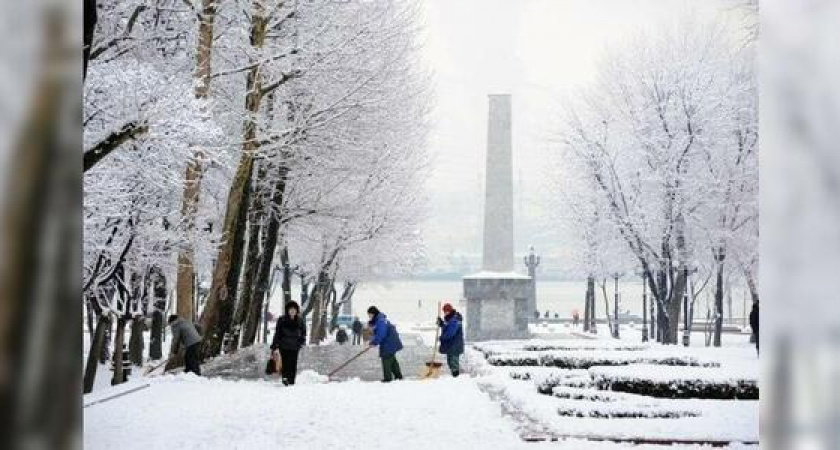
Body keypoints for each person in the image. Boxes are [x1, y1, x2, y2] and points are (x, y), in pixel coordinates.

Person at [271, 301, 307, 385]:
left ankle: (292, 380)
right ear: (287, 310)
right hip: (283, 345)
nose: (292, 311)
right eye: (290, 309)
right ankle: (285, 378)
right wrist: (274, 345)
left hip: (295, 346)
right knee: (285, 363)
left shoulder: (300, 320)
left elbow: (304, 332)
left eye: (294, 309)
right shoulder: (282, 320)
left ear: (296, 310)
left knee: (293, 363)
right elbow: (277, 333)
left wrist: (301, 341)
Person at [367, 306, 403, 382]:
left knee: (386, 359)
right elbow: (379, 332)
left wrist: (374, 342)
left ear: (373, 313)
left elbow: (381, 334)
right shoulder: (381, 319)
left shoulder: (380, 321)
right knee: (392, 359)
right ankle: (398, 376)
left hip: (389, 342)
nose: (369, 317)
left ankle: (387, 378)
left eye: (369, 315)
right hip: (391, 341)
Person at [437, 303, 464, 377]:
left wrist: (442, 337)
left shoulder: (455, 319)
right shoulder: (450, 318)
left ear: (450, 310)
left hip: (455, 344)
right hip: (451, 344)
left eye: (446, 311)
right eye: (444, 311)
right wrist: (442, 324)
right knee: (450, 361)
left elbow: (450, 332)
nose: (445, 312)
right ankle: (454, 375)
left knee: (453, 361)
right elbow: (447, 327)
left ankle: (456, 376)